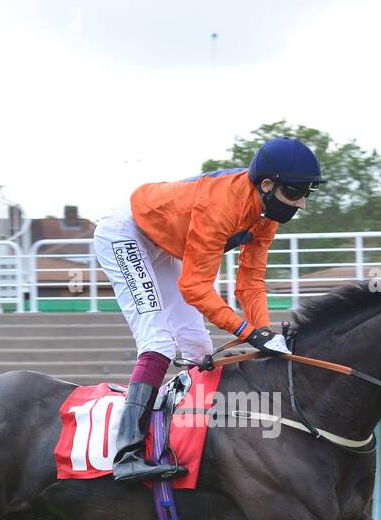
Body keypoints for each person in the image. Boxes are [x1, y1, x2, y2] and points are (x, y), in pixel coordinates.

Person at [92, 137, 323, 482]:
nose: (301, 204)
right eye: (294, 193)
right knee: (158, 341)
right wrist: (247, 332)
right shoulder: (222, 206)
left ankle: (190, 439)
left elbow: (251, 282)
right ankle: (127, 453)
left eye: (306, 194)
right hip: (125, 233)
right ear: (267, 185)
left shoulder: (265, 214)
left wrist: (264, 332)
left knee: (199, 349)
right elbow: (194, 286)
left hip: (162, 243)